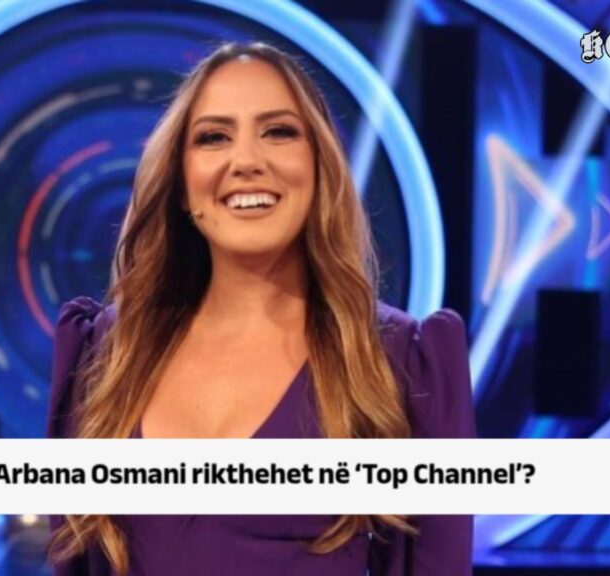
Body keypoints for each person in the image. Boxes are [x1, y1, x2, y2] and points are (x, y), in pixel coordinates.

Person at [46, 41, 474, 576]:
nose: (247, 161)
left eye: (278, 131)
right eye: (213, 137)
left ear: (319, 166)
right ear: (181, 183)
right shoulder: (106, 356)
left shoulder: (400, 362)